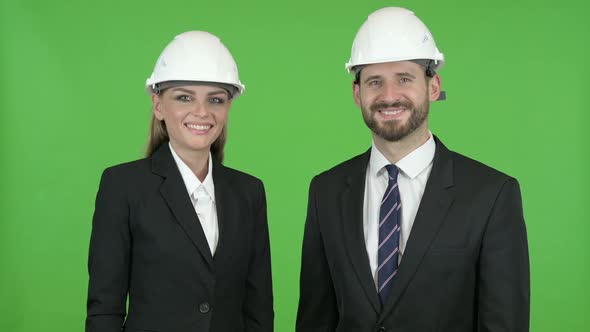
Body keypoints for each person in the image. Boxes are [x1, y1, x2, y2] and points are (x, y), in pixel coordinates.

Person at [296, 7, 529, 332]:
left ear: (433, 87)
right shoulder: (327, 191)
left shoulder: (492, 195)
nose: (389, 96)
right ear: (356, 93)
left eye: (404, 79)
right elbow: (315, 320)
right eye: (375, 81)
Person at [86, 31, 274, 332]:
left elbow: (258, 310)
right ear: (158, 105)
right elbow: (104, 311)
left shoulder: (248, 193)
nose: (202, 112)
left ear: (228, 106)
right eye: (184, 97)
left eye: (216, 99)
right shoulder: (122, 187)